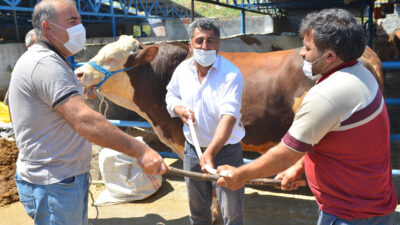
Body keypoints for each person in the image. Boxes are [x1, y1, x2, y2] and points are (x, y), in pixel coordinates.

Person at [216, 8, 397, 225]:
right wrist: (300, 167)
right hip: (375, 203)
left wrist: (242, 175)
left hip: (347, 214)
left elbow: (285, 154)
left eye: (307, 48)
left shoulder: (326, 94)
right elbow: (327, 135)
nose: (301, 52)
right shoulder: (361, 73)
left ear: (330, 56)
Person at [8, 1, 167, 224]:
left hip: (63, 178)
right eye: (72, 21)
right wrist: (140, 150)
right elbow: (84, 120)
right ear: (47, 28)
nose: (80, 27)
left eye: (80, 20)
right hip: (54, 183)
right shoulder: (45, 64)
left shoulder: (55, 61)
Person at [166, 18, 245, 225]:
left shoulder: (231, 74)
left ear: (218, 44)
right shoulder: (182, 70)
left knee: (231, 211)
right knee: (198, 208)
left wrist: (210, 152)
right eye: (199, 41)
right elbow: (170, 95)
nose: (204, 46)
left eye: (210, 41)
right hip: (192, 150)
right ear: (190, 44)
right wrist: (178, 108)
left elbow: (229, 118)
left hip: (226, 151)